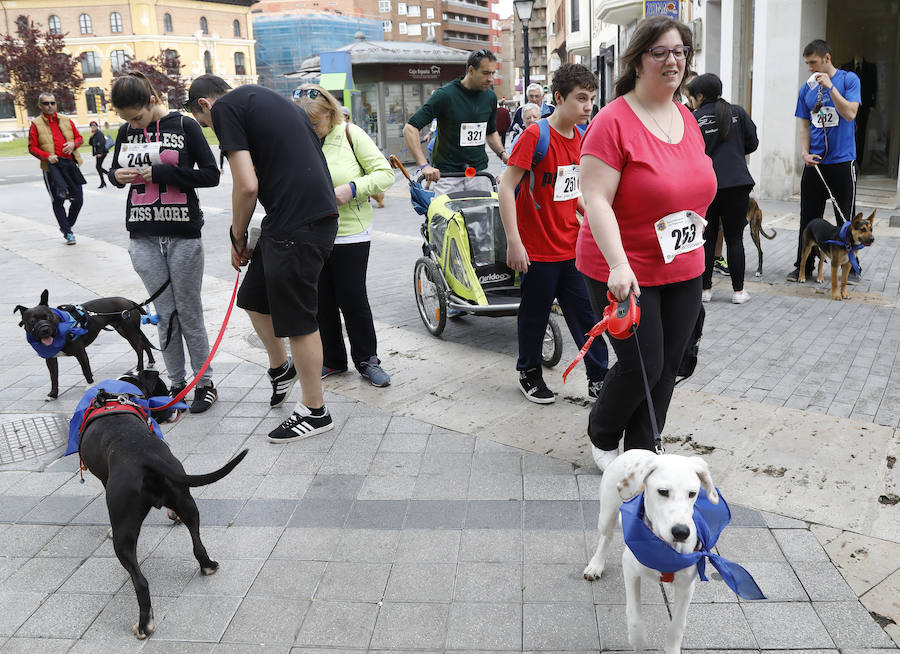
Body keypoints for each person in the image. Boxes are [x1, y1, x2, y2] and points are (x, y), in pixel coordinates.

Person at [576, 16, 716, 471]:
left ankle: (643, 445)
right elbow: (594, 197)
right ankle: (603, 429)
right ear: (637, 60)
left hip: (683, 264)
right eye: (660, 52)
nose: (672, 60)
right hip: (622, 266)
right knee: (642, 364)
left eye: (679, 51)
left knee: (669, 364)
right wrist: (618, 265)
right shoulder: (611, 121)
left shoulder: (687, 118)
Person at [185, 74, 340, 443]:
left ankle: (315, 411)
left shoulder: (224, 109)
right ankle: (280, 368)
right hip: (292, 220)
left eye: (205, 125)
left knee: (299, 321)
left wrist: (236, 234)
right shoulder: (271, 99)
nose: (212, 128)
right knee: (254, 298)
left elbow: (246, 184)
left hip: (297, 225)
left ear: (204, 105)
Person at [109, 72, 221, 414]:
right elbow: (115, 172)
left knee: (189, 311)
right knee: (164, 313)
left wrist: (161, 173)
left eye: (138, 117)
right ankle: (176, 383)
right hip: (142, 236)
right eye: (127, 119)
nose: (133, 124)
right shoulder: (126, 131)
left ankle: (204, 383)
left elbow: (211, 175)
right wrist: (118, 176)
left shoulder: (185, 127)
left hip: (183, 234)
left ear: (152, 100)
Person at [499, 63, 609, 404]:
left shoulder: (582, 137)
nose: (588, 106)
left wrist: (591, 217)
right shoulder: (536, 135)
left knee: (587, 316)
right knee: (534, 314)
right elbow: (506, 187)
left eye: (591, 98)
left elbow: (569, 190)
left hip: (572, 248)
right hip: (536, 251)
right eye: (580, 98)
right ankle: (529, 372)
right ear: (558, 98)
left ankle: (599, 377)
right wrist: (515, 242)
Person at [293, 84, 395, 388]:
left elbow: (384, 174)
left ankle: (367, 359)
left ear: (330, 114)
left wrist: (351, 189)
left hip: (351, 230)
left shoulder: (350, 134)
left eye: (316, 123)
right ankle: (333, 359)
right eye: (305, 124)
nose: (313, 130)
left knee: (352, 296)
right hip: (312, 231)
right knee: (321, 298)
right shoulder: (300, 138)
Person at [788, 38, 861, 283]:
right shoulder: (806, 89)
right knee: (808, 216)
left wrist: (831, 88)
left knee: (845, 219)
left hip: (842, 161)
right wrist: (804, 152)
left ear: (827, 58)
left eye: (813, 62)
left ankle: (849, 267)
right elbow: (804, 125)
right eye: (807, 63)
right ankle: (804, 265)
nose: (809, 68)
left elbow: (850, 113)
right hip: (815, 163)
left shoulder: (848, 80)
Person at [687, 73, 759, 304]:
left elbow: (687, 152)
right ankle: (738, 292)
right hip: (737, 184)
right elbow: (753, 143)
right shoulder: (737, 112)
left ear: (699, 95)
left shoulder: (694, 118)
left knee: (706, 238)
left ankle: (705, 291)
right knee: (734, 238)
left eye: (691, 97)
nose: (690, 102)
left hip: (706, 186)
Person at [403, 48, 508, 195]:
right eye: (486, 73)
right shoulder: (445, 95)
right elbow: (410, 128)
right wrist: (424, 165)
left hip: (479, 174)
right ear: (471, 70)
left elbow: (490, 132)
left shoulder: (490, 97)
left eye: (493, 73)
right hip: (448, 176)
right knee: (447, 218)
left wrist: (503, 154)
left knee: (482, 217)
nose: (491, 78)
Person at [28, 92, 85, 245]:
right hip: (51, 168)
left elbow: (80, 138)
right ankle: (68, 232)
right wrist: (47, 156)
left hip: (70, 166)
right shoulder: (36, 124)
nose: (50, 106)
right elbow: (32, 147)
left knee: (78, 199)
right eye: (46, 103)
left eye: (52, 103)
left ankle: (66, 225)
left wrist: (73, 144)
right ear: (40, 106)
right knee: (58, 200)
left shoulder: (66, 120)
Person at [499, 102, 540, 177]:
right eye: (528, 118)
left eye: (535, 117)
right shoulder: (518, 138)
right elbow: (509, 157)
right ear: (523, 121)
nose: (532, 120)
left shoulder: (546, 136)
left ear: (540, 118)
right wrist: (503, 173)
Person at [88, 121, 109, 189]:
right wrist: (91, 137)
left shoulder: (99, 133)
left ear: (96, 126)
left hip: (102, 152)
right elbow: (90, 143)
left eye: (94, 126)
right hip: (98, 153)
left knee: (98, 166)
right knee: (98, 166)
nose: (93, 127)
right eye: (91, 126)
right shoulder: (94, 134)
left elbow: (102, 143)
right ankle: (106, 176)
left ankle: (104, 180)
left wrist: (100, 153)